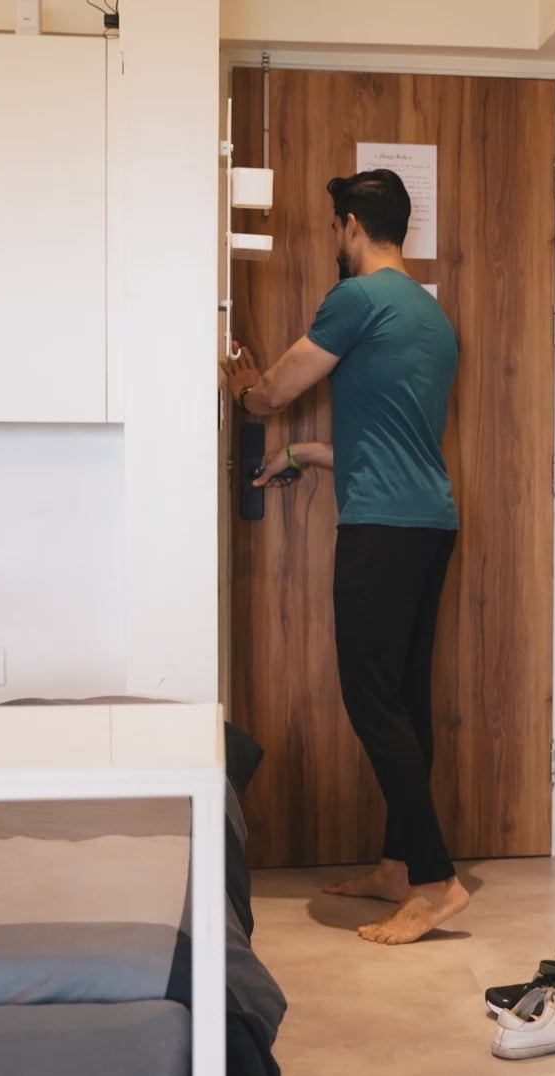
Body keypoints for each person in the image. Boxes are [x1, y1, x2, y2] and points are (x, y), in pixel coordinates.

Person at [221, 168, 468, 947]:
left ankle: (435, 882)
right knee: (405, 701)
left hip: (382, 528)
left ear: (353, 225)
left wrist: (245, 393)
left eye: (335, 227)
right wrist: (302, 454)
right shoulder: (432, 318)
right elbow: (387, 441)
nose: (335, 239)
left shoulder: (357, 299)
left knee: (370, 701)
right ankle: (399, 865)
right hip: (430, 522)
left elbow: (277, 388)